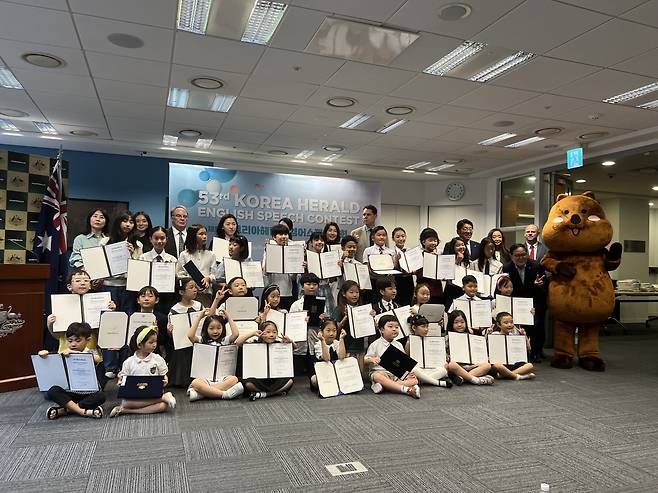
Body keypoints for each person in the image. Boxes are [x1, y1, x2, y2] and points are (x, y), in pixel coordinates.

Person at [38, 322, 105, 420]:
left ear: (88, 340)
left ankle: (66, 409)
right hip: (70, 392)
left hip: (88, 392)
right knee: (53, 391)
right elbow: (50, 358)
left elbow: (97, 359)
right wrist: (43, 354)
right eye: (70, 341)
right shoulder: (64, 353)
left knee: (101, 396)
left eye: (78, 341)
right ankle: (82, 411)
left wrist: (73, 353)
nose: (73, 344)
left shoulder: (90, 352)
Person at [110, 326, 176, 417]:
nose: (154, 345)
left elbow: (164, 376)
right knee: (125, 403)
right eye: (151, 342)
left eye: (155, 341)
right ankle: (163, 397)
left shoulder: (157, 359)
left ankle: (125, 410)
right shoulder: (129, 362)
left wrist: (165, 381)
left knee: (163, 406)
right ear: (140, 345)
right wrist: (120, 382)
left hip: (153, 394)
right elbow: (123, 378)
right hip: (135, 395)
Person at [46, 269, 115, 355]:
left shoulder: (99, 301)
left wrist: (110, 312)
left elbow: (104, 330)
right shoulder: (61, 304)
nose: (82, 283)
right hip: (66, 349)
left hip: (90, 349)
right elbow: (56, 335)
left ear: (90, 285)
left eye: (86, 281)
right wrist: (49, 323)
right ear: (69, 286)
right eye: (78, 281)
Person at [186, 309, 244, 401]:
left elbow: (236, 334)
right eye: (211, 328)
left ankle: (202, 394)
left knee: (234, 379)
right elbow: (190, 336)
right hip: (205, 378)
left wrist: (228, 316)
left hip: (222, 377)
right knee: (195, 382)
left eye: (219, 328)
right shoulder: (202, 340)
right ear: (206, 329)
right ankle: (224, 394)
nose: (215, 331)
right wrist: (199, 317)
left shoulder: (225, 340)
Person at [502, 244, 547, 363]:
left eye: (523, 255)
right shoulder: (506, 268)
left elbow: (545, 285)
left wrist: (538, 285)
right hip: (516, 302)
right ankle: (521, 352)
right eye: (517, 255)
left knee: (537, 326)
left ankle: (536, 352)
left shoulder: (536, 266)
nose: (521, 258)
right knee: (519, 327)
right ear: (511, 256)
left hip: (535, 301)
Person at [237, 321, 295, 401]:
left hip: (275, 377)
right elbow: (238, 342)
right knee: (248, 383)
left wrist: (290, 341)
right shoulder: (254, 344)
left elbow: (294, 348)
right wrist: (253, 333)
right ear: (261, 332)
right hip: (259, 378)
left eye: (274, 332)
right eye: (268, 332)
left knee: (290, 381)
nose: (271, 335)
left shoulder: (278, 344)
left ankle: (264, 394)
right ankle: (275, 393)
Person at [365, 314, 420, 398]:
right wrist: (372, 359)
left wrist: (409, 372)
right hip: (382, 372)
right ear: (382, 330)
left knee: (414, 379)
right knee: (377, 376)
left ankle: (386, 386)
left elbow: (404, 362)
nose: (394, 329)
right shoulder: (375, 344)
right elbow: (365, 360)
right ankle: (405, 389)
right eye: (390, 327)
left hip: (396, 374)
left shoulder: (398, 344)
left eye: (397, 327)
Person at [100, 210, 142, 312]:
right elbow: (101, 264)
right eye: (125, 221)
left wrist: (131, 255)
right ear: (118, 222)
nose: (128, 225)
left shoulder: (138, 244)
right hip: (109, 285)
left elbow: (139, 268)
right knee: (110, 316)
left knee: (128, 315)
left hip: (128, 286)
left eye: (131, 222)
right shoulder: (105, 241)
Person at [290, 272, 327, 372]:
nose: (312, 287)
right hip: (299, 346)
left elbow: (323, 327)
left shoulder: (322, 304)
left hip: (314, 343)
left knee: (314, 373)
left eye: (314, 284)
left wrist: (323, 319)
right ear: (302, 286)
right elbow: (291, 325)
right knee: (298, 376)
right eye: (308, 284)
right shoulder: (296, 305)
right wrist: (302, 320)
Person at [445, 310, 494, 386]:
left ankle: (463, 378)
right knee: (451, 365)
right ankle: (476, 379)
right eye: (456, 322)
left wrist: (488, 334)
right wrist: (447, 356)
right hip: (458, 366)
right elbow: (443, 352)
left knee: (487, 365)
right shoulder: (448, 337)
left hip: (471, 364)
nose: (459, 325)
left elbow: (480, 347)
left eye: (462, 322)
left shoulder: (470, 336)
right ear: (451, 324)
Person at [333, 280, 371, 371]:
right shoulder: (339, 309)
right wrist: (345, 317)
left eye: (357, 292)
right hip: (346, 345)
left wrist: (371, 317)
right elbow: (335, 329)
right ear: (343, 293)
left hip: (360, 346)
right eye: (351, 292)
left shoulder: (362, 309)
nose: (355, 295)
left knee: (360, 373)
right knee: (348, 372)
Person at [485, 311, 535, 380]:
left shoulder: (515, 336)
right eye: (506, 323)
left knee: (530, 365)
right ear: (499, 325)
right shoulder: (495, 335)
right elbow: (485, 347)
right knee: (497, 365)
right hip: (501, 363)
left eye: (511, 322)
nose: (509, 325)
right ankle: (517, 376)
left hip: (513, 363)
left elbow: (529, 348)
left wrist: (524, 336)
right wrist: (488, 335)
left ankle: (506, 375)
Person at [404, 314, 451, 388]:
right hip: (418, 369)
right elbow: (408, 359)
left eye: (427, 326)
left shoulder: (431, 339)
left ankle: (420, 381)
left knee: (443, 370)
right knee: (414, 369)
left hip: (430, 368)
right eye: (423, 326)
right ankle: (436, 382)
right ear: (414, 327)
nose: (426, 329)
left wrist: (444, 356)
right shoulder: (410, 342)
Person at [176, 224, 216, 307]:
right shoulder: (184, 254)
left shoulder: (211, 254)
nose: (204, 236)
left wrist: (208, 278)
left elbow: (214, 274)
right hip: (188, 294)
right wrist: (192, 282)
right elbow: (179, 274)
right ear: (193, 236)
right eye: (201, 234)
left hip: (205, 293)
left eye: (205, 234)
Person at [262, 224, 296, 311]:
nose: (284, 237)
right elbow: (266, 272)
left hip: (287, 292)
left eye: (286, 234)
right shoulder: (269, 250)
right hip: (272, 292)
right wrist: (269, 252)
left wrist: (297, 268)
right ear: (274, 237)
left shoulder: (292, 251)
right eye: (280, 234)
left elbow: (293, 277)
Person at [310, 319, 347, 391]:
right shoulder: (318, 345)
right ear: (321, 332)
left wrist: (342, 339)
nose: (331, 333)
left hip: (336, 372)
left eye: (334, 330)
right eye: (328, 330)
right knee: (314, 380)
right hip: (323, 373)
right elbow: (326, 359)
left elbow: (342, 357)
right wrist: (322, 341)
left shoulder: (337, 343)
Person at [306, 232, 337, 315]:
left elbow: (331, 280)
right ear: (311, 243)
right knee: (312, 315)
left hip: (326, 289)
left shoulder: (328, 257)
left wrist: (336, 269)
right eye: (316, 240)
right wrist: (305, 267)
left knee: (328, 315)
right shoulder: (306, 257)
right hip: (311, 290)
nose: (319, 242)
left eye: (322, 240)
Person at [415, 228, 444, 304]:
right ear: (423, 242)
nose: (434, 243)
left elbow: (442, 274)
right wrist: (428, 260)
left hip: (437, 292)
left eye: (435, 240)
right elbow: (418, 273)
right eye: (430, 240)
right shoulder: (418, 256)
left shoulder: (439, 257)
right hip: (423, 292)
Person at [391, 227, 414, 306]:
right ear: (393, 239)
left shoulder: (410, 251)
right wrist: (396, 260)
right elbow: (391, 269)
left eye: (403, 236)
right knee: (397, 303)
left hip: (408, 280)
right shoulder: (390, 252)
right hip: (396, 280)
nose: (401, 239)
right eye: (397, 237)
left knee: (408, 303)